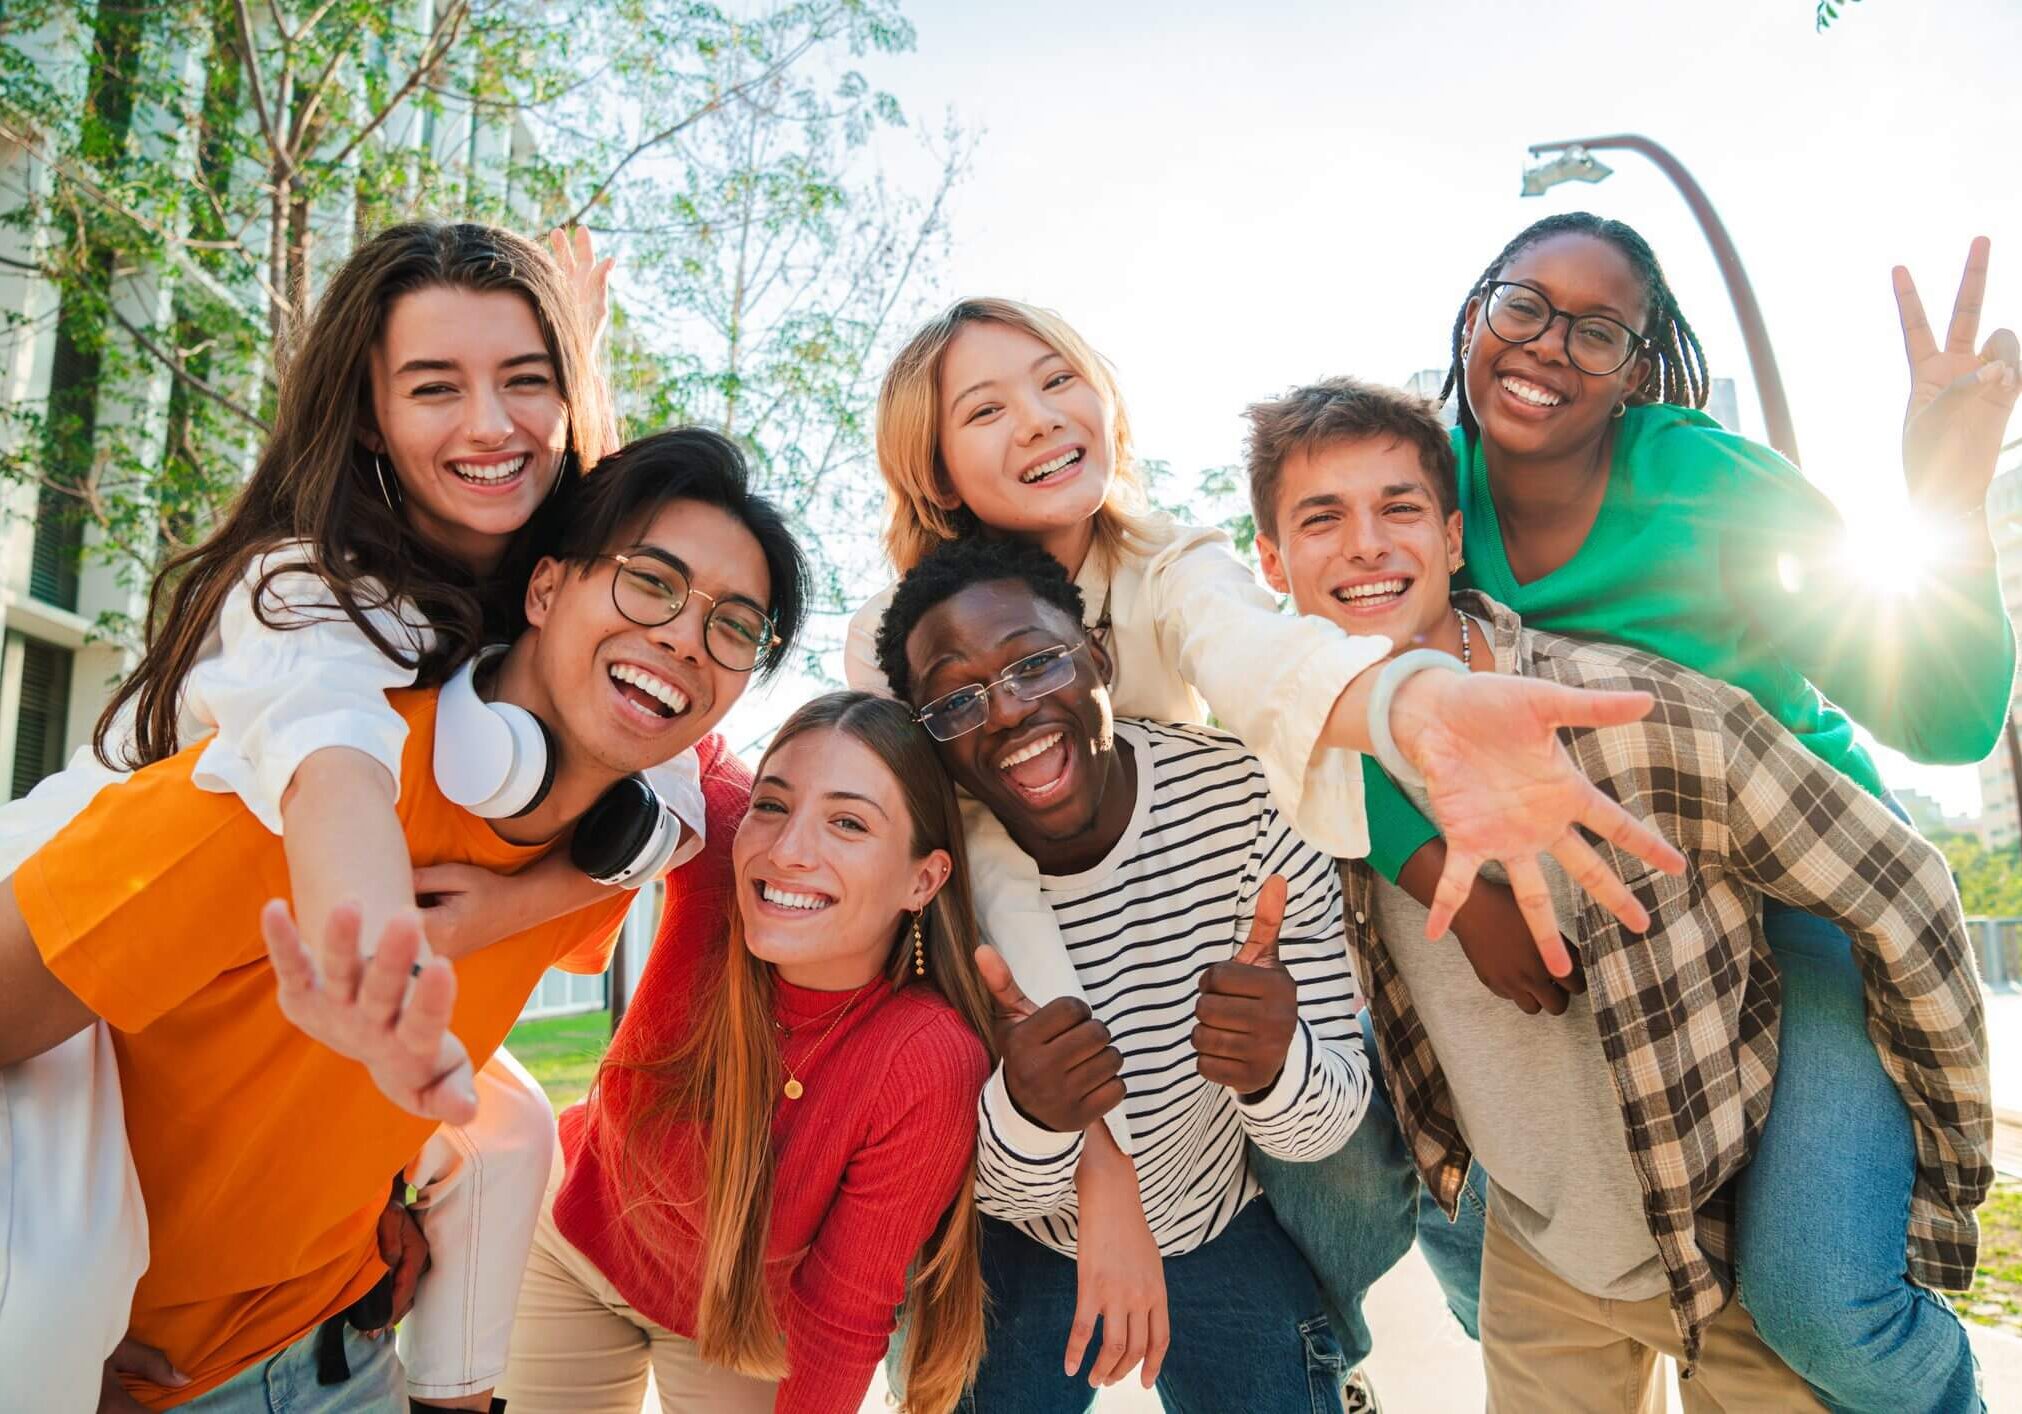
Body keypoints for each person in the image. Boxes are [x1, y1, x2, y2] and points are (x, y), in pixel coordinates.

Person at [846, 296, 1688, 1387]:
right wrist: (1102, 1165)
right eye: (988, 407)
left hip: (1171, 939)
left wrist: (1410, 718)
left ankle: (1316, 1342)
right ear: (937, 472)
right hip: (1028, 1017)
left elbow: (1265, 678)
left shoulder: (1171, 566)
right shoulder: (896, 642)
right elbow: (991, 871)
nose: (1042, 420)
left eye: (1059, 380)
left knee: (1338, 1145)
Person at [0, 220, 692, 1414]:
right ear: (369, 417)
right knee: (60, 1287)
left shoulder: (540, 599)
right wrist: (372, 948)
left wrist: (518, 903)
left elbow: (635, 594)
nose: (492, 422)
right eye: (437, 386)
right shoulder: (303, 588)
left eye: (527, 379)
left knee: (513, 1135)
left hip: (231, 1007)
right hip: (70, 951)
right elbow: (337, 772)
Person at [1360, 214, 2017, 1413]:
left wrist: (1950, 503)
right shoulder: (1414, 489)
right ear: (1473, 316)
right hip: (1600, 909)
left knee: (1822, 1301)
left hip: (1792, 896)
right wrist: (1428, 872)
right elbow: (1319, 686)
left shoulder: (1707, 486)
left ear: (1638, 366)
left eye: (1597, 329)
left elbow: (1948, 718)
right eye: (1525, 304)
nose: (1550, 345)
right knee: (1438, 1175)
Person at [875, 534, 1373, 1412]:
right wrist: (1031, 1114)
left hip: (1214, 1216)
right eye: (956, 701)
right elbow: (979, 1182)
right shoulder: (933, 873)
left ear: (1098, 655)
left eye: (1034, 664)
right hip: (1019, 1240)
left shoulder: (1252, 799)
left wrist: (1274, 1065)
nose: (1004, 712)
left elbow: (1324, 1129)